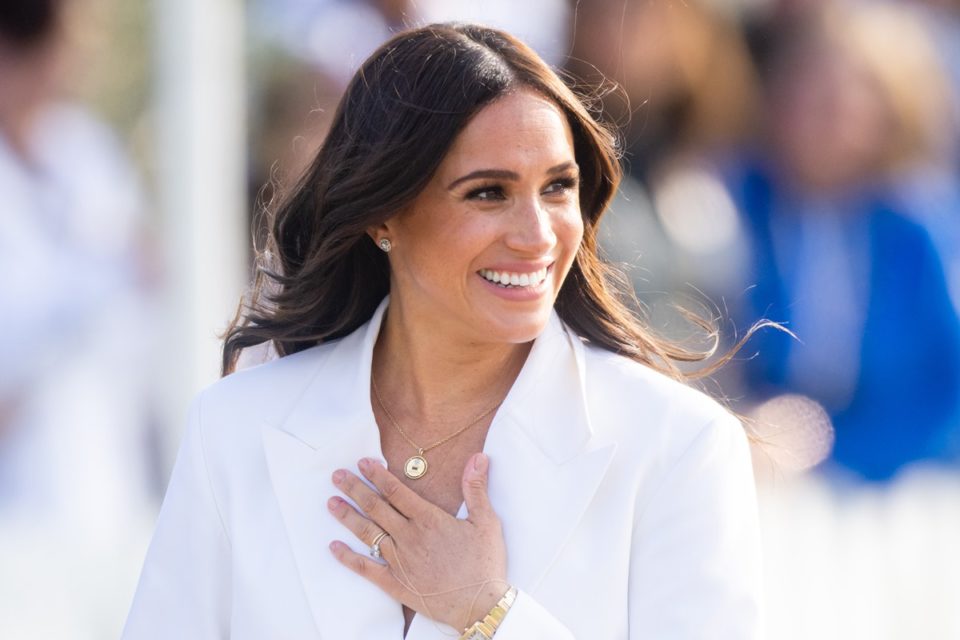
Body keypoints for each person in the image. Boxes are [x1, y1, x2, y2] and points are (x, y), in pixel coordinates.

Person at [123, 23, 762, 639]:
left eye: (558, 188)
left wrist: (486, 613)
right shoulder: (234, 428)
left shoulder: (679, 447)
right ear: (383, 214)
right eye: (488, 193)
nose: (537, 235)